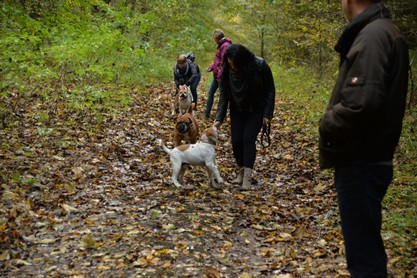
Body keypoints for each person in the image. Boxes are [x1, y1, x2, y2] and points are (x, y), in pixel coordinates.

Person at [319, 0, 409, 276]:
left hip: (361, 161)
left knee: (364, 257)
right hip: (369, 158)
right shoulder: (383, 31)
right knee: (365, 249)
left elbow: (361, 103)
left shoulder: (373, 36)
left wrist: (327, 122)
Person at [214, 44, 275, 190]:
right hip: (237, 109)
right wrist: (219, 118)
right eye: (229, 62)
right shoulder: (226, 72)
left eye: (234, 63)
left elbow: (270, 90)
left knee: (248, 139)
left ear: (242, 61)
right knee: (236, 141)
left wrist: (267, 114)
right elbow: (223, 97)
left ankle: (248, 177)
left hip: (256, 109)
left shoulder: (259, 66)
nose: (232, 65)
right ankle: (241, 171)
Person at [204, 29, 232, 119]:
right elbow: (218, 61)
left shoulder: (225, 46)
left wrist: (220, 75)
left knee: (223, 97)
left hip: (222, 77)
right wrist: (212, 67)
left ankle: (219, 117)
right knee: (210, 93)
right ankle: (206, 114)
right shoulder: (221, 45)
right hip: (217, 76)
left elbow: (224, 63)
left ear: (216, 38)